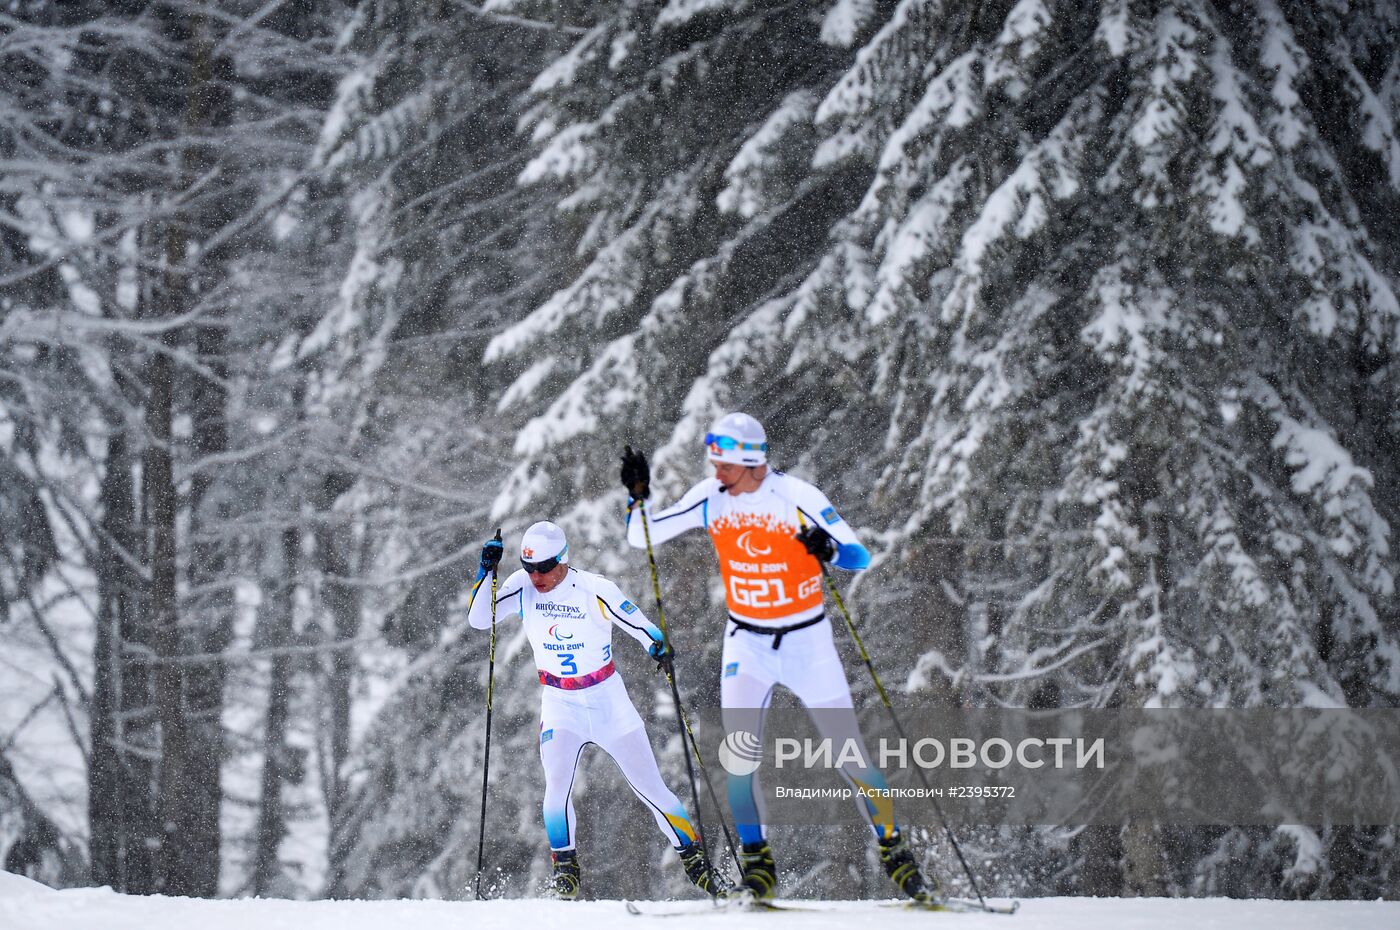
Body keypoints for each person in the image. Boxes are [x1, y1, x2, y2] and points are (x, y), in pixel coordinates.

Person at [619, 412, 937, 902]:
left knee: (849, 753)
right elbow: (642, 535)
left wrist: (826, 549)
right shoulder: (710, 498)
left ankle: (896, 854)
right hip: (746, 643)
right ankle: (758, 866)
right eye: (714, 462)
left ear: (751, 461)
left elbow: (859, 556)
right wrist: (637, 498)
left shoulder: (797, 498)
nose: (716, 471)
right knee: (740, 757)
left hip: (807, 643)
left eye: (724, 463)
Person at [467, 520, 728, 900]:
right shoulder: (522, 589)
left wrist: (658, 647)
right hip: (560, 703)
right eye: (529, 568)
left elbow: (640, 625)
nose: (536, 576)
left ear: (562, 559)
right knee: (556, 789)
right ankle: (566, 872)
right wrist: (486, 571)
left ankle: (697, 864)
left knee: (652, 789)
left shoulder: (594, 589)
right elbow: (478, 619)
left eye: (543, 567)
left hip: (608, 701)